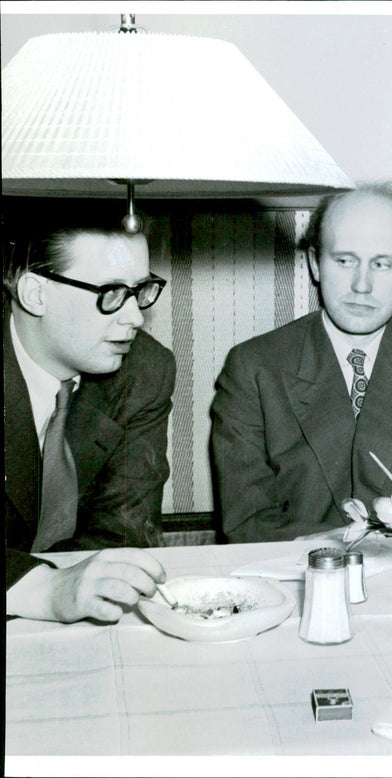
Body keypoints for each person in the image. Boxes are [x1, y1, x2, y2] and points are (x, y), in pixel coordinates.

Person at [211, 183, 392, 542]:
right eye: (344, 261)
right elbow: (247, 523)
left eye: (382, 264)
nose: (362, 285)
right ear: (314, 263)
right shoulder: (253, 368)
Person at [4, 203, 176, 622]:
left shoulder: (145, 370)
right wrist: (45, 592)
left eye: (142, 290)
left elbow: (125, 530)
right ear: (35, 294)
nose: (136, 317)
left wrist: (75, 592)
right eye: (111, 293)